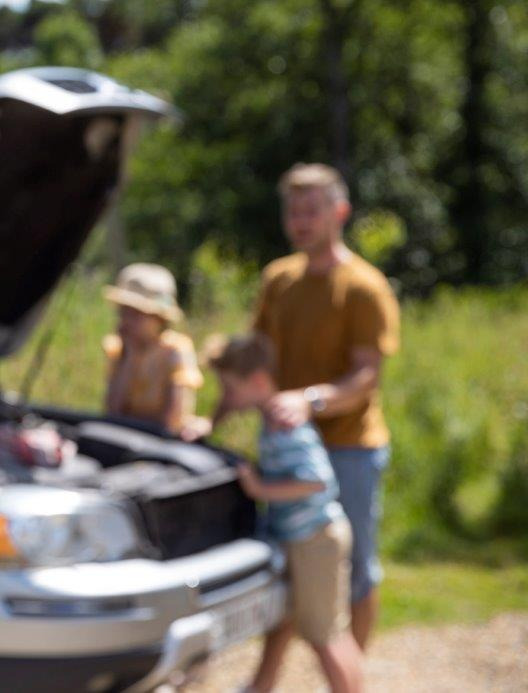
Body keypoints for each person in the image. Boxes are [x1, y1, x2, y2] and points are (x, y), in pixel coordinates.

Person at [246, 162, 400, 653]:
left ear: (340, 212)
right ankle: (266, 680)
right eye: (293, 210)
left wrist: (308, 401)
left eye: (311, 209)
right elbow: (257, 359)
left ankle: (350, 673)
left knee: (354, 566)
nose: (301, 220)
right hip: (288, 447)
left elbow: (365, 377)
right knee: (287, 560)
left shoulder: (364, 286)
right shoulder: (278, 279)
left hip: (349, 448)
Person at [206, 332, 363, 693]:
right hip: (302, 536)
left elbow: (317, 481)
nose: (227, 398)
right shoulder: (270, 417)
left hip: (315, 539)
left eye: (231, 389)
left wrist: (259, 489)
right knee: (300, 624)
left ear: (258, 381)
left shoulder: (284, 423)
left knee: (325, 636)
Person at [101, 263, 211, 441]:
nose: (127, 319)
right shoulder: (119, 349)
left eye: (136, 313)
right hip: (124, 436)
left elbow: (173, 421)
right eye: (124, 311)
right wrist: (129, 357)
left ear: (159, 318)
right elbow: (112, 412)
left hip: (160, 442)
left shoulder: (175, 351)